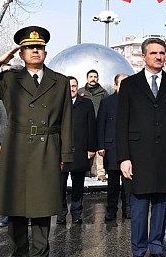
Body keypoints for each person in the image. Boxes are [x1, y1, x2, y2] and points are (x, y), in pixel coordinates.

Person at [0, 26, 74, 257]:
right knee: (15, 204)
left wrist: (65, 155)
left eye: (39, 47)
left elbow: (67, 119)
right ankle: (19, 252)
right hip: (17, 148)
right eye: (29, 48)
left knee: (42, 205)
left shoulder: (60, 81)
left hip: (47, 147)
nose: (35, 51)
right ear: (21, 54)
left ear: (45, 52)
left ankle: (40, 252)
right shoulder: (10, 79)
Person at [116, 37, 166, 257]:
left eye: (162, 53)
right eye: (154, 53)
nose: (158, 57)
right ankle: (138, 247)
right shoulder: (130, 84)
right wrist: (124, 158)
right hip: (138, 154)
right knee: (139, 203)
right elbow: (122, 123)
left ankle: (156, 244)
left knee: (160, 202)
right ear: (144, 55)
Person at [57, 76, 96, 224]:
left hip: (80, 150)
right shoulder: (58, 103)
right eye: (69, 86)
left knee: (78, 184)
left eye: (74, 86)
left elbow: (91, 127)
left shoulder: (86, 104)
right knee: (60, 185)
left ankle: (76, 212)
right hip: (61, 151)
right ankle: (61, 213)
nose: (72, 88)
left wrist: (91, 148)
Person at [0, 64, 21, 227]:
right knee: (5, 182)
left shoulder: (29, 95)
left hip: (25, 148)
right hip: (3, 146)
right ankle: (7, 214)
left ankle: (26, 213)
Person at [97, 73, 132, 221]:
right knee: (112, 183)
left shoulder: (134, 101)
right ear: (116, 85)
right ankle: (111, 209)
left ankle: (128, 208)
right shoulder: (106, 102)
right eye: (122, 83)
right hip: (112, 148)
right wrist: (101, 145)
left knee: (128, 183)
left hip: (130, 148)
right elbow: (100, 125)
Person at [78, 69, 108, 182]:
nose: (93, 79)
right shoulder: (81, 92)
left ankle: (100, 173)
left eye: (95, 77)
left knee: (100, 148)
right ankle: (84, 170)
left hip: (99, 123)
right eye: (91, 76)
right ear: (87, 78)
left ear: (98, 78)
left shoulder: (103, 92)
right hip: (84, 124)